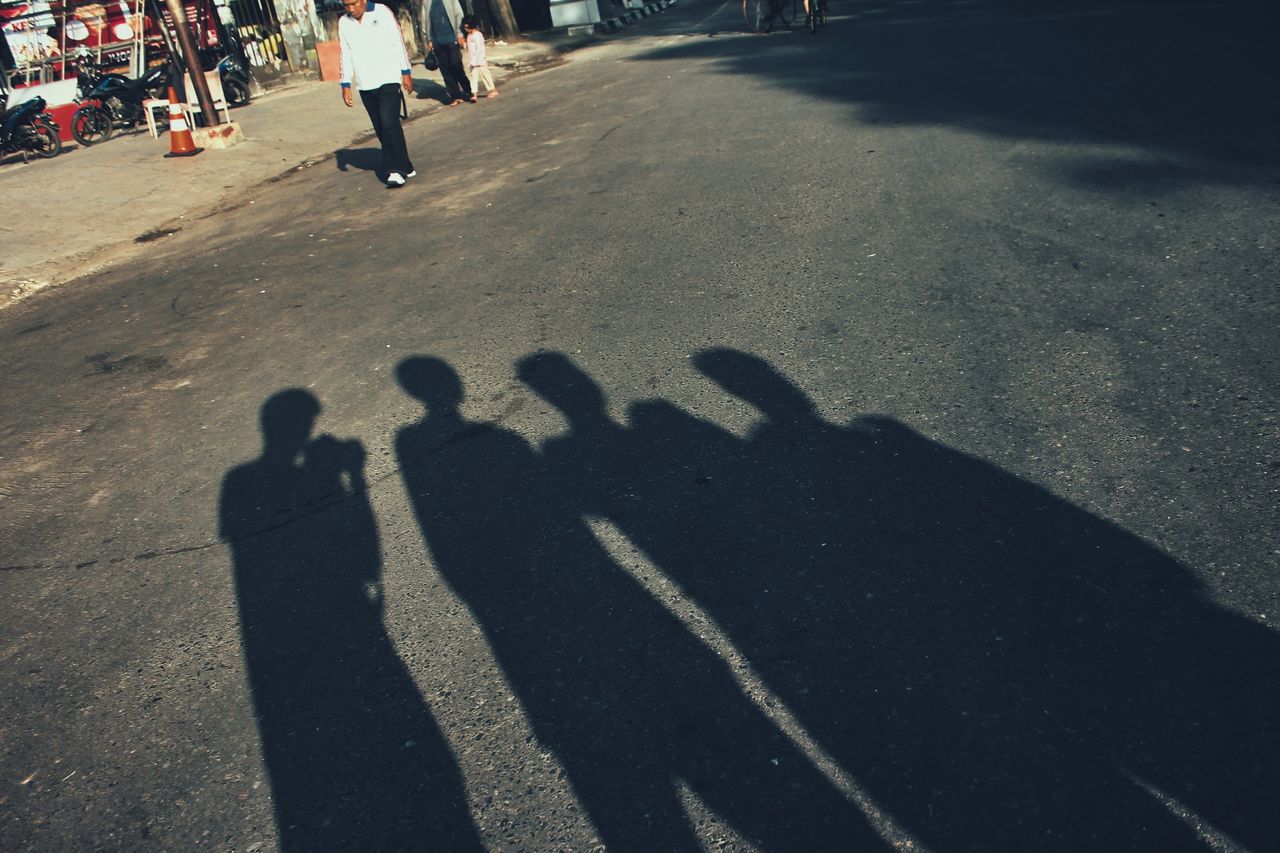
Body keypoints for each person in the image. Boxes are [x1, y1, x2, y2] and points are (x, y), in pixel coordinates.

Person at [338, 0, 416, 188]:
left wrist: (406, 72)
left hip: (388, 78)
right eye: (346, 5)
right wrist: (345, 83)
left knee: (389, 122)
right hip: (365, 83)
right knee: (382, 127)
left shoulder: (381, 12)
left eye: (354, 3)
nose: (351, 9)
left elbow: (397, 42)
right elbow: (345, 53)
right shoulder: (344, 22)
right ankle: (405, 163)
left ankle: (395, 170)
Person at [424, 0, 474, 105]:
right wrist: (429, 39)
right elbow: (426, 21)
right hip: (437, 41)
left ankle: (468, 90)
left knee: (455, 65)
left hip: (452, 38)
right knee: (445, 70)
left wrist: (460, 33)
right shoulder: (426, 1)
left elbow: (458, 14)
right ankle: (455, 96)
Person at [461, 16, 498, 99]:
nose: (465, 28)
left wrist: (478, 60)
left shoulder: (477, 35)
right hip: (472, 60)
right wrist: (465, 45)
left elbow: (480, 48)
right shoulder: (469, 35)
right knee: (473, 77)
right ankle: (474, 94)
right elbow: (469, 47)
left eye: (466, 26)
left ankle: (493, 90)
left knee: (485, 75)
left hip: (480, 60)